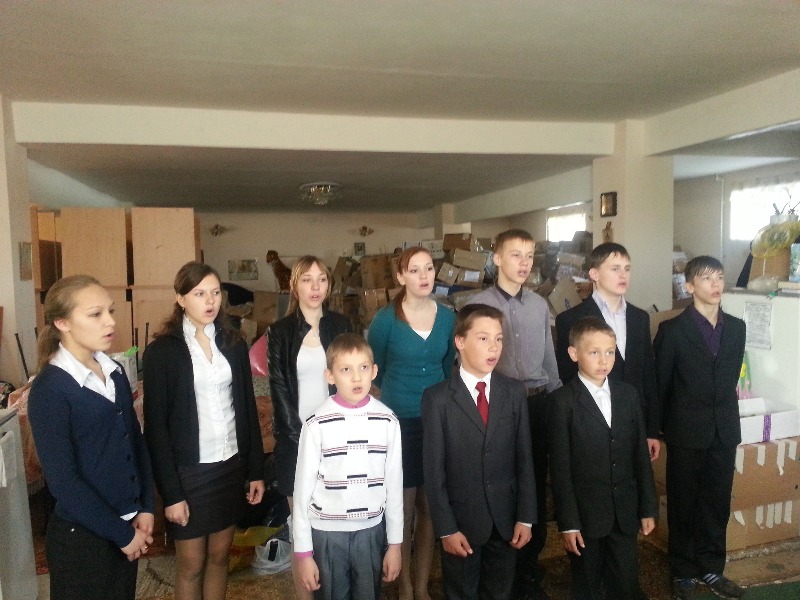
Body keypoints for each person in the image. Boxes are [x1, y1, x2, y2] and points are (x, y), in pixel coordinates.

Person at [28, 275, 155, 600]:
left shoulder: (114, 372)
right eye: (95, 314)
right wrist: (122, 535)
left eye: (110, 311)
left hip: (127, 525)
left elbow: (135, 442)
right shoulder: (50, 389)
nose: (110, 321)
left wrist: (145, 507)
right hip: (83, 539)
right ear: (62, 322)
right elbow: (64, 483)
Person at [143, 262, 265, 600]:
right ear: (180, 299)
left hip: (229, 466)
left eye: (215, 293)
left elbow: (247, 408)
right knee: (191, 564)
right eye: (199, 294)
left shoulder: (233, 343)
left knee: (220, 557)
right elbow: (156, 429)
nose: (210, 301)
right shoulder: (162, 352)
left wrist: (255, 469)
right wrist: (171, 494)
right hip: (189, 472)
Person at [467, 228, 561, 599]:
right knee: (500, 482)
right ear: (497, 258)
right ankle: (499, 568)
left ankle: (529, 570)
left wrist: (555, 398)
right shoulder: (478, 305)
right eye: (516, 255)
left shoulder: (539, 305)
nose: (524, 263)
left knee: (533, 483)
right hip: (497, 405)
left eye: (529, 256)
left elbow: (549, 359)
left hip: (537, 404)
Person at [422, 303, 536, 600]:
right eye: (483, 338)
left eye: (499, 339)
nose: (494, 347)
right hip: (462, 523)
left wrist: (525, 516)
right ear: (460, 341)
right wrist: (446, 529)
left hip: (505, 520)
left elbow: (524, 459)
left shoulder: (513, 392)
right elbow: (434, 473)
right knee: (462, 592)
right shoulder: (437, 399)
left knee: (500, 591)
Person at [654, 256, 746, 600]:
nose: (715, 284)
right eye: (707, 278)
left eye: (719, 277)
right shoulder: (672, 331)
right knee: (683, 502)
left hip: (724, 430)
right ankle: (683, 571)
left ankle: (711, 568)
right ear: (690, 286)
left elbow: (728, 379)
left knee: (717, 502)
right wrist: (656, 430)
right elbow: (661, 386)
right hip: (685, 431)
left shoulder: (736, 328)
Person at [367, 245, 457, 600]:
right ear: (400, 276)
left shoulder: (447, 318)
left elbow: (446, 366)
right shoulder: (386, 320)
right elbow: (376, 369)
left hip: (436, 421)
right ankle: (403, 586)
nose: (423, 276)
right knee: (402, 510)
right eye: (415, 270)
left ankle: (422, 587)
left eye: (429, 268)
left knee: (430, 507)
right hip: (398, 423)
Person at [548, 316, 657, 599]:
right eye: (594, 352)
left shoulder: (628, 395)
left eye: (610, 352)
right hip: (586, 516)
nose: (603, 360)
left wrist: (647, 507)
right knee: (587, 583)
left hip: (624, 512)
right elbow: (560, 469)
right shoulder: (562, 402)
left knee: (626, 582)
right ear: (574, 353)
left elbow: (640, 457)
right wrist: (569, 523)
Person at [292, 333, 403, 599]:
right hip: (327, 535)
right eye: (345, 370)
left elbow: (394, 486)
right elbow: (301, 492)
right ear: (330, 376)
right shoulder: (317, 423)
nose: (356, 377)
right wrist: (304, 553)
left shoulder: (387, 421)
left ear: (374, 371)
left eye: (363, 367)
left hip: (370, 532)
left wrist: (395, 545)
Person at [267, 255, 351, 598]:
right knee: (302, 533)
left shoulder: (341, 325)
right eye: (307, 279)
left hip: (339, 441)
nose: (315, 287)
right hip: (296, 443)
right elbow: (279, 392)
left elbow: (353, 381)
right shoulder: (280, 332)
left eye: (322, 279)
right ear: (294, 286)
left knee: (335, 530)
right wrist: (305, 441)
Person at [555, 242, 661, 461]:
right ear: (594, 274)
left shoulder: (640, 318)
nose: (623, 275)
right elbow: (567, 376)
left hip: (633, 419)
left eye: (627, 269)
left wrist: (651, 429)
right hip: (590, 421)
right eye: (615, 269)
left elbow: (648, 375)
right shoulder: (570, 319)